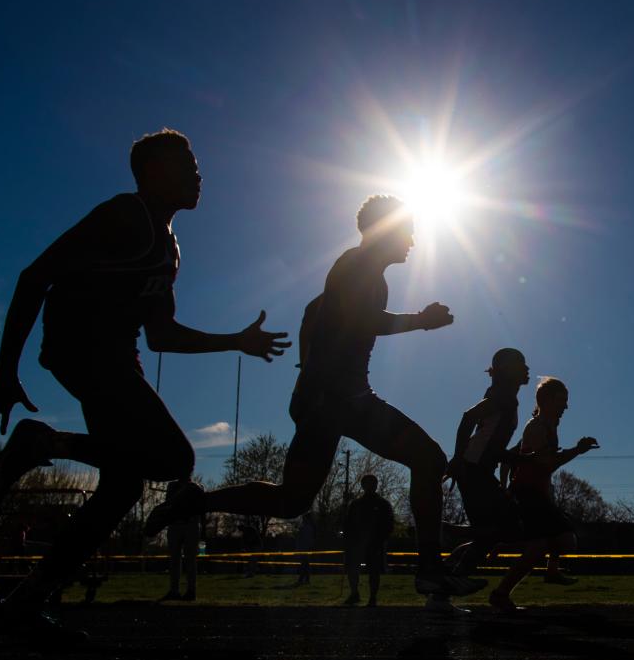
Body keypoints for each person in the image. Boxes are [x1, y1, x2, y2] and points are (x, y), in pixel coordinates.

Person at [0, 129, 290, 643]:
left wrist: (235, 341)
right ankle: (44, 442)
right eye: (187, 164)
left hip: (119, 358)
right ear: (154, 172)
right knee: (175, 460)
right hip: (84, 350)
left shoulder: (170, 248)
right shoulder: (123, 214)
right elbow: (35, 277)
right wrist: (6, 370)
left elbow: (161, 336)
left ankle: (24, 602)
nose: (199, 174)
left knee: (122, 486)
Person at [145, 195, 485, 598]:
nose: (412, 239)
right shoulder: (357, 265)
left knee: (292, 501)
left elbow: (314, 312)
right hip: (341, 400)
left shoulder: (358, 272)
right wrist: (421, 321)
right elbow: (362, 320)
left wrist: (306, 377)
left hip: (331, 399)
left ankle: (193, 502)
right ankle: (429, 568)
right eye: (407, 229)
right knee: (427, 458)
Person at [431, 347, 538, 614]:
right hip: (472, 470)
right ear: (506, 370)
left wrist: (516, 458)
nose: (526, 368)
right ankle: (450, 533)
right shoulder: (504, 397)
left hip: (477, 469)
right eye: (520, 364)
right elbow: (469, 417)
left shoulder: (506, 397)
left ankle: (441, 591)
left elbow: (491, 444)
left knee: (492, 534)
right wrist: (457, 458)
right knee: (506, 529)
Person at [489, 376, 597, 613]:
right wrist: (577, 451)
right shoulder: (537, 427)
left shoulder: (548, 425)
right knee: (547, 544)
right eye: (562, 401)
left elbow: (514, 455)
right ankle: (501, 583)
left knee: (562, 540)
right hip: (527, 494)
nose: (566, 407)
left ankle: (545, 569)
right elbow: (546, 464)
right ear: (546, 401)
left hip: (536, 493)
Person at [343, 474, 395, 607]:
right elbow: (348, 524)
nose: (370, 486)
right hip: (357, 543)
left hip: (374, 543)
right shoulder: (356, 504)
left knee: (374, 571)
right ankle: (355, 594)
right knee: (353, 569)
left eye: (372, 483)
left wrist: (380, 540)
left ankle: (372, 597)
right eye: (368, 484)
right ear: (363, 486)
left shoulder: (382, 504)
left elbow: (389, 525)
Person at [161, 511, 201, 601]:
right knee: (176, 559)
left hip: (190, 522)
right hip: (177, 523)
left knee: (189, 559)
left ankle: (190, 591)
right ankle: (175, 591)